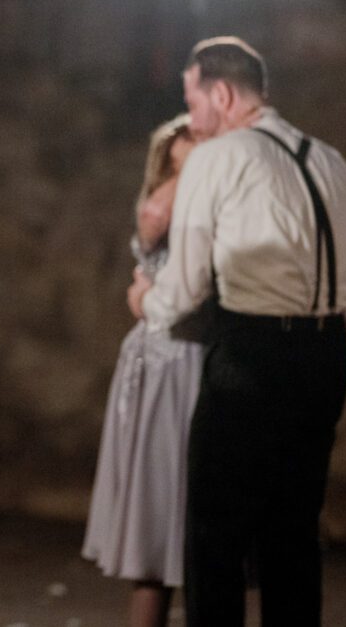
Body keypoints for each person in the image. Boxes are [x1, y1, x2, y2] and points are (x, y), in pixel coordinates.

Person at [139, 37, 346, 625]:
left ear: (221, 93)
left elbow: (185, 283)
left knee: (216, 537)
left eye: (192, 102)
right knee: (294, 531)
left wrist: (148, 304)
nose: (190, 118)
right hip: (328, 353)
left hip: (252, 357)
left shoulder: (219, 157)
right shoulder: (331, 159)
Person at [82, 115, 204, 627]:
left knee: (187, 508)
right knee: (160, 511)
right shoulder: (170, 198)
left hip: (185, 355)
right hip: (168, 361)